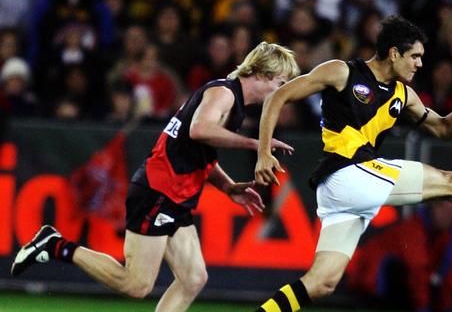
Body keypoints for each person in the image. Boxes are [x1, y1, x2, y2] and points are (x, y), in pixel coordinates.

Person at [252, 15, 452, 312]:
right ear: (394, 53)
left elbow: (445, 129)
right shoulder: (342, 71)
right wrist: (263, 152)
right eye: (415, 56)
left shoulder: (403, 95)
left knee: (322, 282)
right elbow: (276, 97)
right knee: (451, 183)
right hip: (347, 173)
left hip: (346, 190)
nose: (420, 64)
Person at [11, 42, 300, 312]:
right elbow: (198, 130)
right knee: (136, 284)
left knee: (193, 278)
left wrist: (227, 187)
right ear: (263, 74)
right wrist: (257, 143)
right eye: (281, 83)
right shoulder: (224, 93)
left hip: (176, 196)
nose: (282, 91)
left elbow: (199, 152)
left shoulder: (232, 102)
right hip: (158, 191)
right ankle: (53, 244)